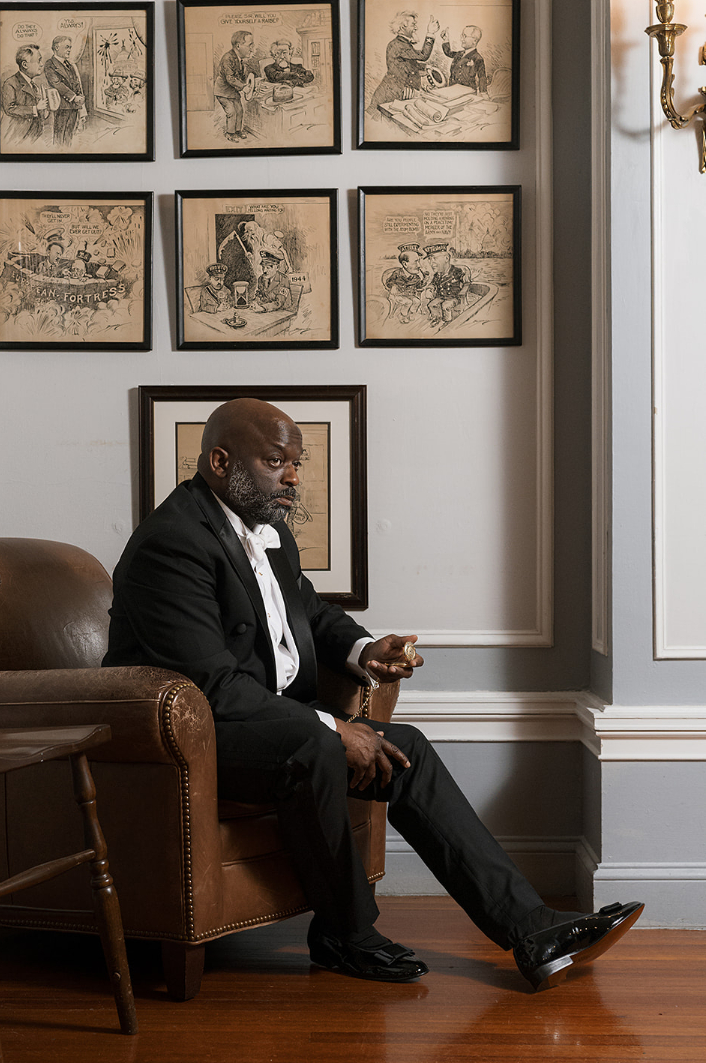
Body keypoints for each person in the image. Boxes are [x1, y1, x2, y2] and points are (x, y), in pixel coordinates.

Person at [105, 398, 644, 990]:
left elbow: (307, 611)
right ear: (219, 460)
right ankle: (346, 934)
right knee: (312, 750)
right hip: (193, 743)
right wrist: (333, 729)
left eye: (296, 463)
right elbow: (211, 687)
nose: (292, 476)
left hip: (265, 723)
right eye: (275, 461)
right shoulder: (172, 544)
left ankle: (530, 928)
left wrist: (366, 650)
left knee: (404, 749)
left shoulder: (268, 530)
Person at [369, 10, 440, 115]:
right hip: (391, 95)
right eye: (413, 25)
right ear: (403, 27)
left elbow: (407, 64)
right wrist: (430, 33)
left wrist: (425, 68)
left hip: (398, 93)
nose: (416, 28)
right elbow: (423, 56)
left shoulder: (402, 43)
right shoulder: (398, 45)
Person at [0, 44, 49, 144]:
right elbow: (10, 109)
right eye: (38, 60)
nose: (41, 64)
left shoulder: (34, 86)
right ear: (25, 65)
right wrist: (35, 109)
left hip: (34, 136)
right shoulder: (10, 83)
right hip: (17, 138)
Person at [43, 36, 86, 146]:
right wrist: (74, 97)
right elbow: (56, 83)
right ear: (57, 47)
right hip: (61, 106)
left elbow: (76, 83)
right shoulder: (50, 64)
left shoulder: (70, 65)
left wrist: (80, 98)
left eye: (70, 47)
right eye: (67, 47)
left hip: (74, 106)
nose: (69, 50)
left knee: (69, 135)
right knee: (59, 135)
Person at [215, 30, 255, 142]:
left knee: (239, 110)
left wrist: (248, 84)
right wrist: (243, 87)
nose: (252, 48)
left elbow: (241, 77)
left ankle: (238, 130)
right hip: (222, 91)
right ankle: (230, 133)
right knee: (231, 112)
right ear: (238, 46)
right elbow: (230, 78)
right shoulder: (227, 58)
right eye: (249, 45)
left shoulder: (240, 61)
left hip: (232, 91)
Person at [441, 24, 488, 93]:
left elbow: (482, 77)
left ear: (474, 41)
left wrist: (483, 92)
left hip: (467, 93)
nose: (461, 39)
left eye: (465, 36)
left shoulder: (477, 58)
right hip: (452, 90)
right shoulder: (459, 54)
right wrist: (446, 40)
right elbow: (448, 52)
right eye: (462, 36)